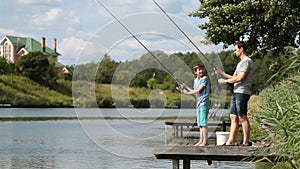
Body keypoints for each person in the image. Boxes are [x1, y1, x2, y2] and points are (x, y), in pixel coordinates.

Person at [215, 41, 254, 146]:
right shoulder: (240, 63)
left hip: (242, 92)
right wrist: (222, 73)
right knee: (233, 116)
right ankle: (230, 142)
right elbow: (234, 77)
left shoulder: (246, 61)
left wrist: (225, 81)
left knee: (242, 116)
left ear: (241, 49)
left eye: (236, 49)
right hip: (236, 91)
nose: (234, 52)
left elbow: (241, 78)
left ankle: (246, 142)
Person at [181, 64, 210, 146]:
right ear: (195, 72)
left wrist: (187, 93)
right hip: (198, 104)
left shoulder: (204, 79)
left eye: (201, 69)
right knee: (200, 124)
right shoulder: (195, 80)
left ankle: (205, 141)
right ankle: (201, 141)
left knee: (203, 123)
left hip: (204, 103)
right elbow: (195, 92)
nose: (201, 71)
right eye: (199, 70)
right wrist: (186, 87)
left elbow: (199, 90)